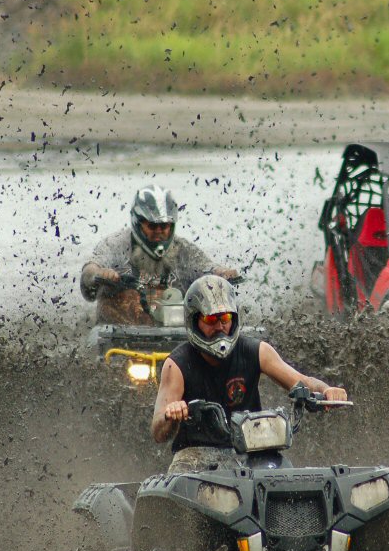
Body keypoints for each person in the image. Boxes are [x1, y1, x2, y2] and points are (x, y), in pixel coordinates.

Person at [152, 275, 347, 473]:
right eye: (211, 319)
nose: (220, 327)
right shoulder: (176, 364)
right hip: (194, 456)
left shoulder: (257, 351)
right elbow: (158, 431)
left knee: (286, 479)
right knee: (182, 482)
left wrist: (326, 389)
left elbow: (302, 382)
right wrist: (171, 415)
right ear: (194, 320)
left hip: (251, 452)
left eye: (225, 318)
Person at [79, 184, 238, 323]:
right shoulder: (115, 244)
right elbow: (90, 268)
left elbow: (207, 268)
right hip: (118, 334)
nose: (159, 232)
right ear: (138, 223)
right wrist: (99, 273)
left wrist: (221, 273)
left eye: (164, 226)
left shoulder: (184, 249)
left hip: (173, 333)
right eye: (152, 226)